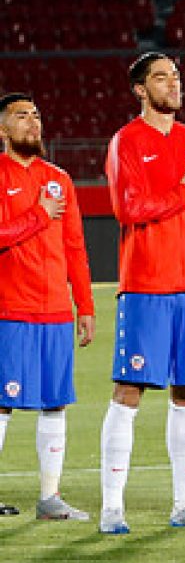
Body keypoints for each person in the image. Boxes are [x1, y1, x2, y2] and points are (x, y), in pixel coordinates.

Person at [99, 53, 185, 534]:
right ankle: (112, 507)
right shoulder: (127, 142)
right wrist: (182, 193)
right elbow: (129, 208)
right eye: (162, 77)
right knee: (129, 390)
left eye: (176, 76)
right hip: (146, 287)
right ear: (140, 89)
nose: (173, 85)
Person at [0, 92, 94, 521]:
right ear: (3, 130)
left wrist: (85, 306)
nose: (32, 122)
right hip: (10, 309)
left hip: (55, 310)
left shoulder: (59, 179)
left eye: (36, 115)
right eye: (22, 117)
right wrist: (38, 215)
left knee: (55, 402)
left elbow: (75, 246)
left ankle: (50, 498)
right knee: (2, 403)